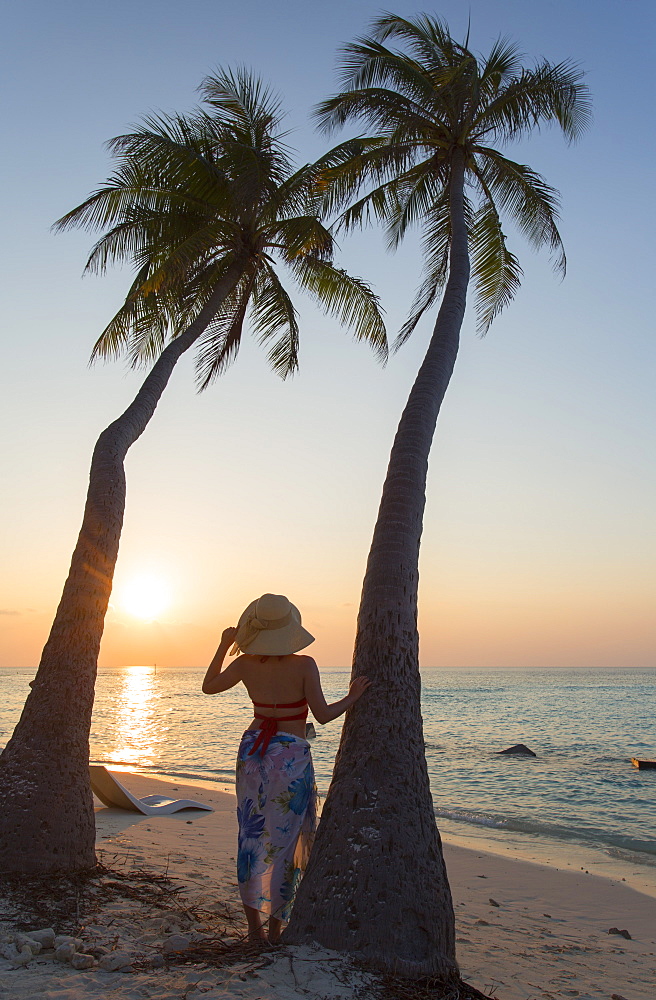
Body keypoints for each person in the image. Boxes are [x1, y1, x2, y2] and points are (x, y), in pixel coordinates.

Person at [202, 593, 371, 944]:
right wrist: (353, 697)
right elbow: (323, 716)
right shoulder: (305, 664)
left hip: (252, 753)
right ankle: (276, 930)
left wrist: (223, 645)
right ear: (290, 628)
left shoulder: (246, 663)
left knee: (251, 838)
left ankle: (254, 932)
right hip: (290, 757)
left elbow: (208, 687)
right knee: (288, 839)